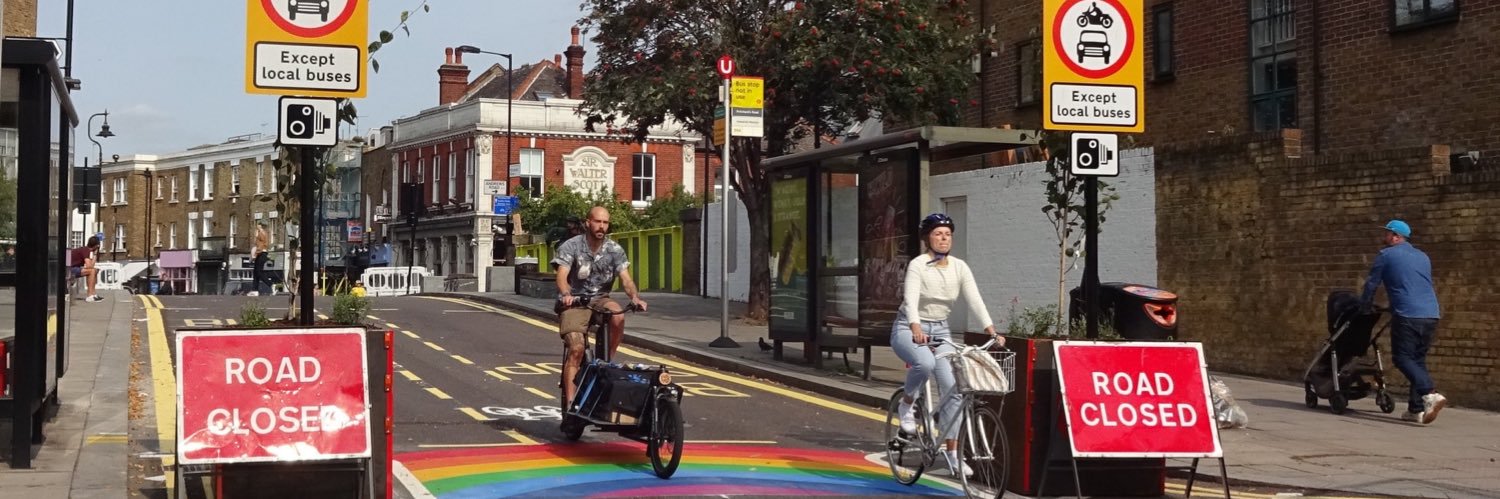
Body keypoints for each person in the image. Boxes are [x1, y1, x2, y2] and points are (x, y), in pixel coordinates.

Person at [891, 213, 999, 476]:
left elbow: (974, 299)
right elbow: (911, 298)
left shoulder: (959, 267)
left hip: (941, 328)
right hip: (908, 326)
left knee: (954, 388)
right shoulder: (918, 265)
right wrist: (916, 327)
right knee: (924, 362)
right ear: (928, 238)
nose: (943, 238)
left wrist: (991, 329)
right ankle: (907, 404)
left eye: (947, 234)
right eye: (938, 233)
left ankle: (952, 453)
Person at [553, 206, 648, 415]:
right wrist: (567, 294)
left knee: (618, 314)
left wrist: (635, 298)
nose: (602, 227)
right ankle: (571, 406)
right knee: (576, 349)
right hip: (575, 302)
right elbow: (561, 275)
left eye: (605, 223)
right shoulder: (572, 246)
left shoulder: (614, 250)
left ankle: (606, 364)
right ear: (588, 222)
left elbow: (626, 279)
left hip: (600, 299)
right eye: (598, 222)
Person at [1361, 219, 1446, 424]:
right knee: (1417, 360)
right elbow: (1412, 285)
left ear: (1396, 236)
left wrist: (1364, 306)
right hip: (1431, 313)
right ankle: (1415, 410)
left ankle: (1430, 394)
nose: (1385, 237)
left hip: (1408, 314)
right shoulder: (1423, 256)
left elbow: (1372, 284)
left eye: (1388, 233)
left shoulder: (1386, 255)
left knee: (1402, 358)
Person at [69, 236, 103, 302]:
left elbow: (91, 266)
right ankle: (89, 296)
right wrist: (95, 254)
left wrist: (95, 254)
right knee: (92, 271)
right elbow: (89, 266)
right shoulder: (86, 250)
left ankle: (93, 294)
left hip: (72, 268)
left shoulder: (86, 250)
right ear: (97, 246)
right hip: (69, 270)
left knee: (94, 270)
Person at [249, 223, 274, 296]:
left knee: (259, 272)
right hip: (260, 253)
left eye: (258, 224)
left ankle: (271, 285)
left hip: (261, 254)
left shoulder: (262, 233)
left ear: (260, 226)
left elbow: (260, 245)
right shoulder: (260, 233)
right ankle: (255, 290)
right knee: (256, 272)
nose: (256, 226)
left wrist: (255, 254)